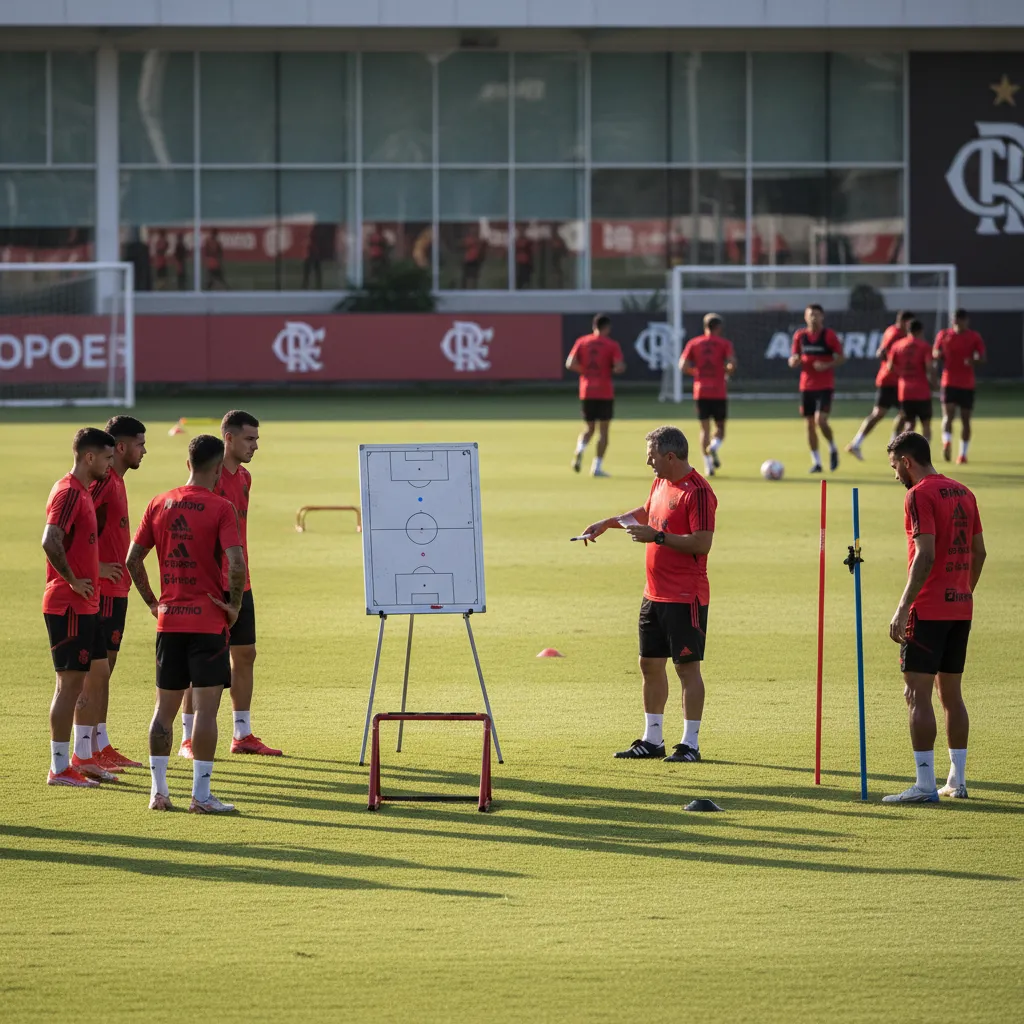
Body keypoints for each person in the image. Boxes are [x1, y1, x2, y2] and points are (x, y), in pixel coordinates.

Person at [577, 426, 716, 763]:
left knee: (687, 669)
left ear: (670, 456)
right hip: (653, 594)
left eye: (652, 456)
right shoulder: (661, 482)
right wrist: (608, 523)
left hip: (685, 596)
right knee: (650, 664)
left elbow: (702, 543)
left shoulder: (698, 492)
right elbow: (646, 511)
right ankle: (653, 739)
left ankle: (690, 744)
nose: (648, 462)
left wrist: (658, 537)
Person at [126, 434, 246, 813]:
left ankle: (158, 792)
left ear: (188, 464)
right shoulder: (221, 507)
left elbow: (132, 560)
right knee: (206, 712)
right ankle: (201, 796)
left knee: (164, 710)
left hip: (170, 623)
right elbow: (237, 563)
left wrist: (153, 602)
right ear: (217, 468)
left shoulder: (159, 502)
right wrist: (234, 606)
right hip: (208, 624)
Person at [883, 431, 985, 803]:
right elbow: (979, 552)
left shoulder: (918, 495)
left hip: (927, 609)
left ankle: (925, 785)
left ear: (907, 461)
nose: (895, 474)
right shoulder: (964, 492)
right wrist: (962, 591)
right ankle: (957, 781)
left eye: (895, 466)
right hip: (960, 606)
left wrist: (903, 606)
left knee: (916, 694)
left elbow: (924, 555)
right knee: (951, 696)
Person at [179, 410, 281, 758]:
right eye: (249, 439)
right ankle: (188, 737)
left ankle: (242, 733)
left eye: (256, 439)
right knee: (200, 662)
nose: (255, 446)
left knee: (245, 654)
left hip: (240, 580)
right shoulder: (209, 475)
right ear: (229, 438)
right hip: (209, 584)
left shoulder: (245, 477)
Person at [41, 428, 117, 787]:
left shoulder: (83, 491)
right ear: (89, 457)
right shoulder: (69, 491)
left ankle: (83, 756)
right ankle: (59, 768)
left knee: (96, 674)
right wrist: (72, 579)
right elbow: (50, 540)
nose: (110, 464)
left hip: (87, 603)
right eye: (106, 458)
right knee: (69, 685)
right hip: (68, 604)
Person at [82, 415, 148, 773]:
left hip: (117, 588)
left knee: (106, 671)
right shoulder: (104, 482)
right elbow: (75, 524)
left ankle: (100, 743)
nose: (144, 451)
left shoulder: (117, 481)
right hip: (103, 590)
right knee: (96, 672)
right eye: (140, 444)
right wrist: (95, 567)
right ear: (121, 447)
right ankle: (86, 749)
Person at [846, 309, 913, 460]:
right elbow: (881, 352)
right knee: (899, 413)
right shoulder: (896, 334)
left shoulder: (891, 330)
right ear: (904, 322)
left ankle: (859, 443)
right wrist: (893, 366)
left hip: (891, 380)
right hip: (891, 380)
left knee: (898, 413)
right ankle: (891, 446)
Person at [566, 315, 627, 478]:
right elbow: (619, 366)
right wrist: (612, 369)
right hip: (604, 391)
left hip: (587, 390)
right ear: (607, 328)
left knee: (589, 428)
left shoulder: (582, 342)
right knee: (603, 431)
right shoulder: (611, 345)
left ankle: (580, 449)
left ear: (594, 326)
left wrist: (586, 371)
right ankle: (597, 467)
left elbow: (570, 363)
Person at [788, 304, 846, 472]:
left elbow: (841, 357)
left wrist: (826, 365)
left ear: (822, 317)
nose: (813, 317)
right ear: (805, 317)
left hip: (825, 385)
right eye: (810, 314)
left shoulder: (829, 335)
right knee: (809, 424)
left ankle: (832, 448)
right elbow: (794, 357)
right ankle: (817, 462)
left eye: (816, 314)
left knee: (821, 420)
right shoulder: (800, 336)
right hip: (806, 386)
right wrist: (793, 361)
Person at [680, 314, 737, 477]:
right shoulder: (724, 344)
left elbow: (683, 365)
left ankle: (708, 465)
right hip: (718, 390)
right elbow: (732, 364)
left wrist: (696, 373)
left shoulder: (694, 343)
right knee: (720, 428)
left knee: (704, 429)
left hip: (701, 390)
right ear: (718, 327)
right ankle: (714, 447)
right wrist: (725, 370)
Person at [933, 309, 987, 464]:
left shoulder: (974, 337)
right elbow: (935, 352)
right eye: (955, 320)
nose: (957, 323)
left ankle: (962, 454)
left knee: (965, 419)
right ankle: (947, 443)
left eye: (959, 320)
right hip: (949, 382)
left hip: (966, 383)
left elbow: (982, 357)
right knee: (948, 415)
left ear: (965, 321)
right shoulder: (944, 335)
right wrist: (939, 355)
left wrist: (973, 360)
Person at [888, 319, 936, 440]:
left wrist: (902, 375)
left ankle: (905, 447)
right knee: (926, 424)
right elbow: (929, 367)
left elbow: (890, 367)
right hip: (921, 390)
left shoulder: (897, 345)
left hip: (905, 391)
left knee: (909, 423)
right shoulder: (924, 346)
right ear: (920, 331)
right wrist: (934, 383)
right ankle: (924, 450)